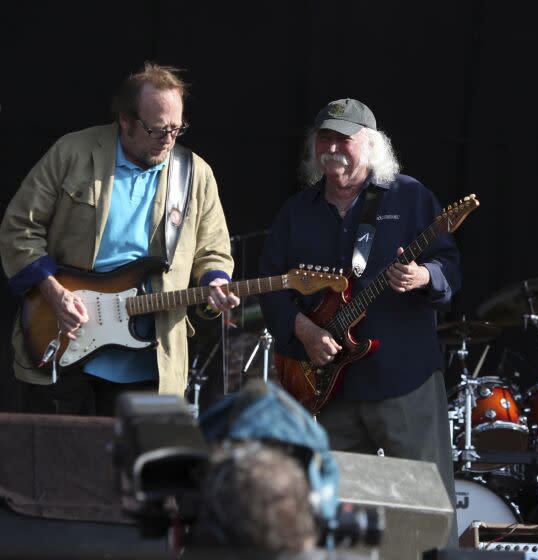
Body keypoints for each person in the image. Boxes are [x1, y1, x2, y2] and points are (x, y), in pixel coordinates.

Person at [258, 98, 461, 544]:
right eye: (324, 138)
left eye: (343, 139)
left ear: (369, 145)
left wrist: (424, 275)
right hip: (333, 389)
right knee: (343, 519)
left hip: (404, 381)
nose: (333, 148)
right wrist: (303, 330)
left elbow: (450, 269)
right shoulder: (296, 211)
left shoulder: (410, 197)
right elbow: (272, 288)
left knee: (426, 511)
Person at [0, 62, 239, 416]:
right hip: (66, 346)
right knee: (58, 467)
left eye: (177, 129)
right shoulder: (72, 153)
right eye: (158, 130)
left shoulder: (195, 174)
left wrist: (216, 280)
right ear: (125, 121)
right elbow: (20, 227)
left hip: (150, 366)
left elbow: (213, 251)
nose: (169, 140)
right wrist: (54, 293)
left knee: (134, 470)